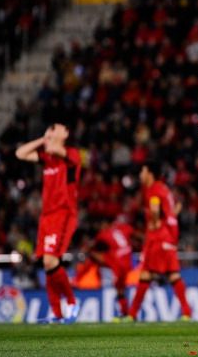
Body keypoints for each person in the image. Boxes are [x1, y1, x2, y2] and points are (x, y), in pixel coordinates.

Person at [15, 123, 81, 323]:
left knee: (50, 261)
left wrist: (48, 140)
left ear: (66, 133)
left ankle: (71, 301)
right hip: (47, 216)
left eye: (56, 128)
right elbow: (20, 153)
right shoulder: (47, 159)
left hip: (63, 213)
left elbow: (53, 148)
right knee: (47, 265)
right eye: (50, 128)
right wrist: (41, 140)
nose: (51, 130)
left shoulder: (71, 155)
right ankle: (57, 314)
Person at [125, 162, 192, 321]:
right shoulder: (164, 188)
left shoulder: (153, 189)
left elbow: (155, 208)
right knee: (169, 274)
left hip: (158, 237)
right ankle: (186, 312)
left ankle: (132, 314)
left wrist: (155, 221)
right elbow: (175, 207)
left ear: (149, 173)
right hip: (169, 236)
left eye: (142, 171)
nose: (141, 175)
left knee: (148, 273)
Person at [76, 217, 136, 317]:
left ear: (106, 225)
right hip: (128, 259)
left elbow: (93, 245)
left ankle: (126, 313)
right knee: (120, 287)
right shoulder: (122, 228)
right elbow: (133, 233)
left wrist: (85, 250)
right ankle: (125, 313)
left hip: (117, 261)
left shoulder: (103, 233)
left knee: (92, 254)